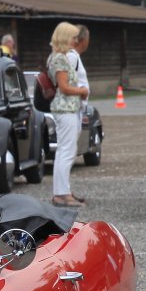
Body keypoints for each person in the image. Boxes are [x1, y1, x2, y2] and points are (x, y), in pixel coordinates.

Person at [47, 22, 88, 208]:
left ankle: (62, 192)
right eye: (73, 37)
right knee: (67, 151)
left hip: (65, 109)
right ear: (65, 37)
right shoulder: (60, 59)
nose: (75, 40)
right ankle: (62, 194)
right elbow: (64, 87)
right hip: (66, 108)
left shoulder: (57, 56)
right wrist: (82, 91)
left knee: (64, 151)